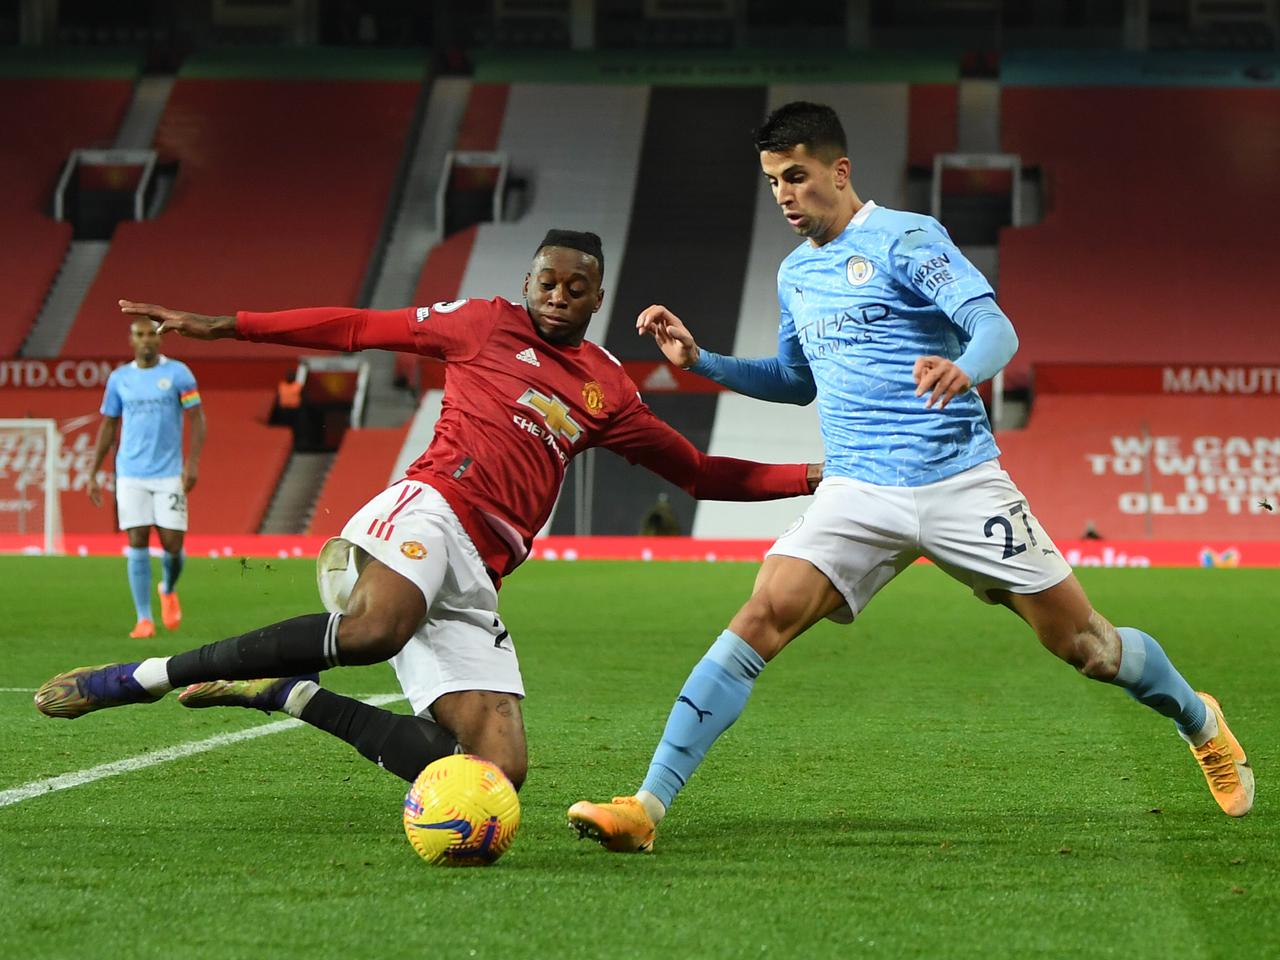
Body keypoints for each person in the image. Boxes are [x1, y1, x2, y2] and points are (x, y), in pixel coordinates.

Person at [567, 103, 1253, 852]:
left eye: (797, 176)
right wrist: (703, 363)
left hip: (960, 480)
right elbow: (797, 381)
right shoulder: (796, 275)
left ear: (840, 170)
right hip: (858, 488)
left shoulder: (906, 238)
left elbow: (997, 328)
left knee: (1088, 647)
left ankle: (1200, 721)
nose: (786, 196)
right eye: (772, 183)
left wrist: (965, 368)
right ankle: (646, 807)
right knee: (761, 615)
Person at [34, 229, 820, 795]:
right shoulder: (482, 324)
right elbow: (354, 328)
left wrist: (815, 475)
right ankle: (144, 675)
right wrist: (228, 325)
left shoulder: (608, 390)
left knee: (496, 771)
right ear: (526, 282)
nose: (557, 295)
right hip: (432, 505)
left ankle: (285, 691)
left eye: (575, 287)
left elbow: (702, 474)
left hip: (484, 569)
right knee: (376, 630)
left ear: (598, 297)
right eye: (546, 280)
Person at [87, 317, 205, 638]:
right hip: (130, 473)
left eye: (151, 334)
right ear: (131, 340)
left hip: (169, 473)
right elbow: (109, 425)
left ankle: (167, 588)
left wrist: (191, 464)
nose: (145, 340)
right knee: (136, 538)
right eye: (139, 335)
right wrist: (94, 471)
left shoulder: (178, 374)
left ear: (160, 339)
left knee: (172, 543)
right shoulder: (119, 379)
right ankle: (143, 619)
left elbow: (198, 419)